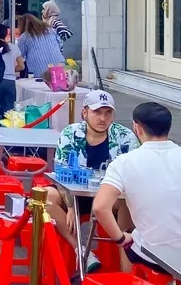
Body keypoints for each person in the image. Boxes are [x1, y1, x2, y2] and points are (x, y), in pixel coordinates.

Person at [94, 102, 181, 273]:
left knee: (130, 235)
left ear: (137, 127)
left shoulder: (124, 162)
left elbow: (100, 207)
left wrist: (120, 239)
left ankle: (130, 283)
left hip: (155, 255)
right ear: (168, 127)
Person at [46, 90, 139, 273]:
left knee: (126, 204)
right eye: (97, 112)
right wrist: (71, 206)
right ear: (85, 113)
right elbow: (60, 172)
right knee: (46, 198)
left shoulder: (125, 137)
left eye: (107, 113)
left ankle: (126, 276)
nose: (102, 118)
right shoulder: (70, 134)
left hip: (110, 199)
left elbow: (135, 173)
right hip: (74, 194)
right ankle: (83, 252)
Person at [16, 13, 65, 77]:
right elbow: (59, 45)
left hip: (40, 72)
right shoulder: (51, 30)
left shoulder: (25, 37)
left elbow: (19, 55)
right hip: (59, 66)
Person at [0, 23, 24, 120]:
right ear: (7, 34)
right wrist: (10, 69)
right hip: (10, 82)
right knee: (9, 114)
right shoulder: (14, 48)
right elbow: (21, 66)